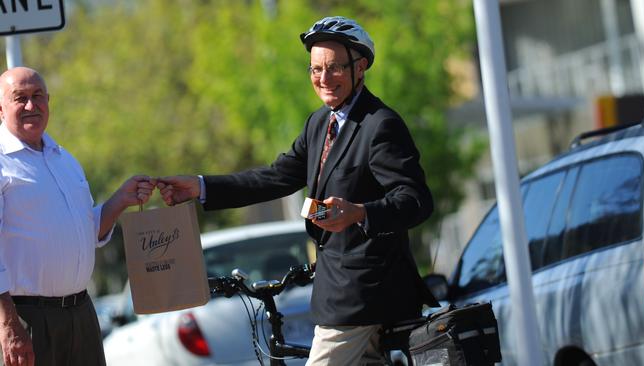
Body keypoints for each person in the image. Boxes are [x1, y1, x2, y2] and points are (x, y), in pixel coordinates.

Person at [157, 16, 438, 365]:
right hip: (336, 288)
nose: (323, 79)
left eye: (334, 68)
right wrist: (200, 187)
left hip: (364, 293)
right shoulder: (319, 123)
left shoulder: (380, 125)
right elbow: (274, 177)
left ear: (361, 66)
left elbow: (416, 200)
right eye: (315, 69)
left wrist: (360, 212)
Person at [0, 66, 156, 366]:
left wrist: (121, 199)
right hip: (26, 319)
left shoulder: (64, 159)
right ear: (1, 108)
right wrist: (8, 323)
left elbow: (88, 231)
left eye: (38, 96)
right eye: (20, 98)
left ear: (49, 101)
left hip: (81, 315)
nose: (31, 105)